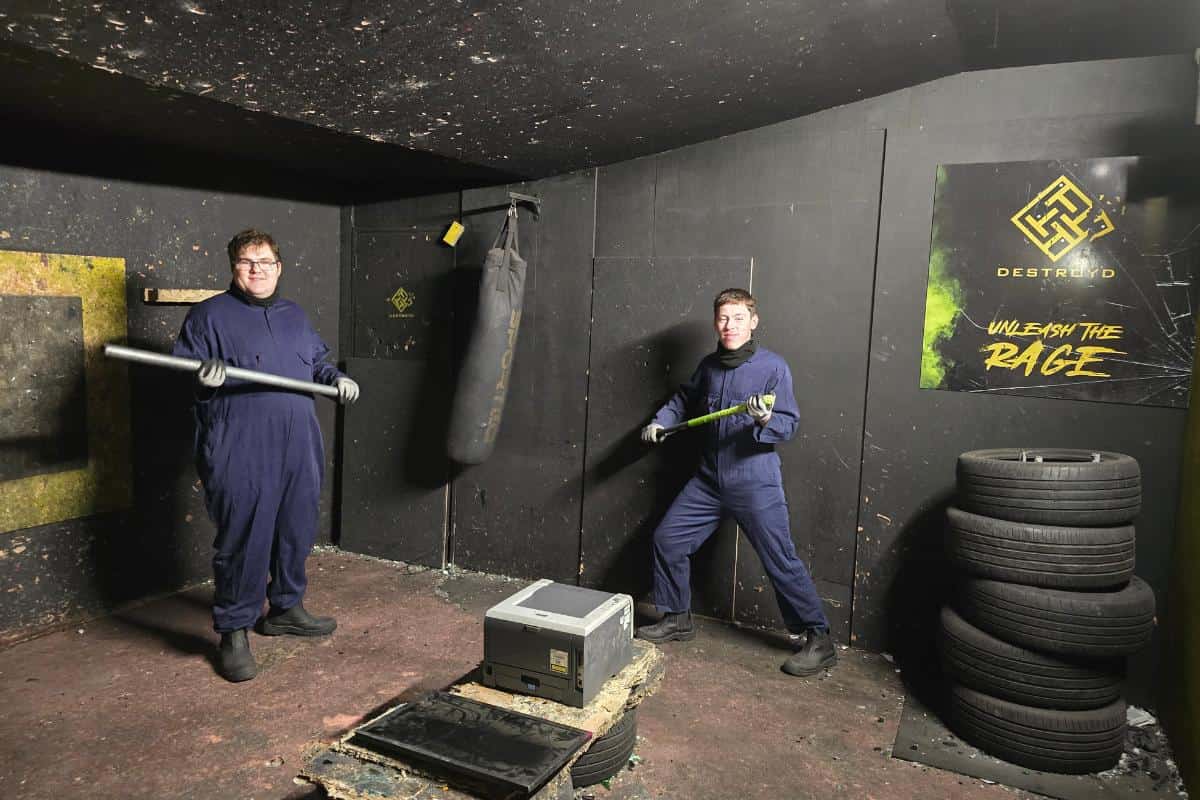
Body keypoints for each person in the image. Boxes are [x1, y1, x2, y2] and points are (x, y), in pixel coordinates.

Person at [173, 229, 359, 682]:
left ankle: (286, 609)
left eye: (264, 260)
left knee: (296, 527)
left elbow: (315, 362)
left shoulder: (294, 315)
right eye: (245, 261)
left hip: (298, 441)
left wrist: (336, 377)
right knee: (245, 536)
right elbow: (187, 373)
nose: (256, 268)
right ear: (232, 268)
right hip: (240, 444)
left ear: (279, 266)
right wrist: (205, 378)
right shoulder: (209, 315)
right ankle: (234, 630)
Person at [636, 288, 835, 676]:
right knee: (668, 538)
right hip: (709, 480)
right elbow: (683, 398)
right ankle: (678, 617)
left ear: (753, 322)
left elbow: (788, 424)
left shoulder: (774, 367)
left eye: (738, 318)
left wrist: (764, 419)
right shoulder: (709, 366)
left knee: (780, 558)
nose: (730, 326)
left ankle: (819, 638)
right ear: (716, 322)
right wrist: (660, 420)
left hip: (754, 479)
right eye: (724, 318)